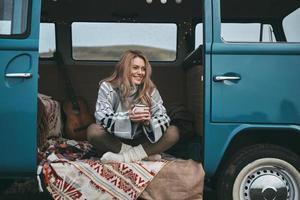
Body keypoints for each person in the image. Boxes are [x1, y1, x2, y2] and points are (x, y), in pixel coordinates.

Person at [87, 50, 179, 163]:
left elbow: (164, 118)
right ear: (124, 68)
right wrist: (129, 118)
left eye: (143, 69)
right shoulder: (107, 87)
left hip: (143, 141)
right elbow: (102, 117)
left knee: (173, 132)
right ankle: (143, 155)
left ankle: (125, 157)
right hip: (115, 140)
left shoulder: (150, 90)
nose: (141, 72)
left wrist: (148, 122)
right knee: (93, 131)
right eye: (135, 68)